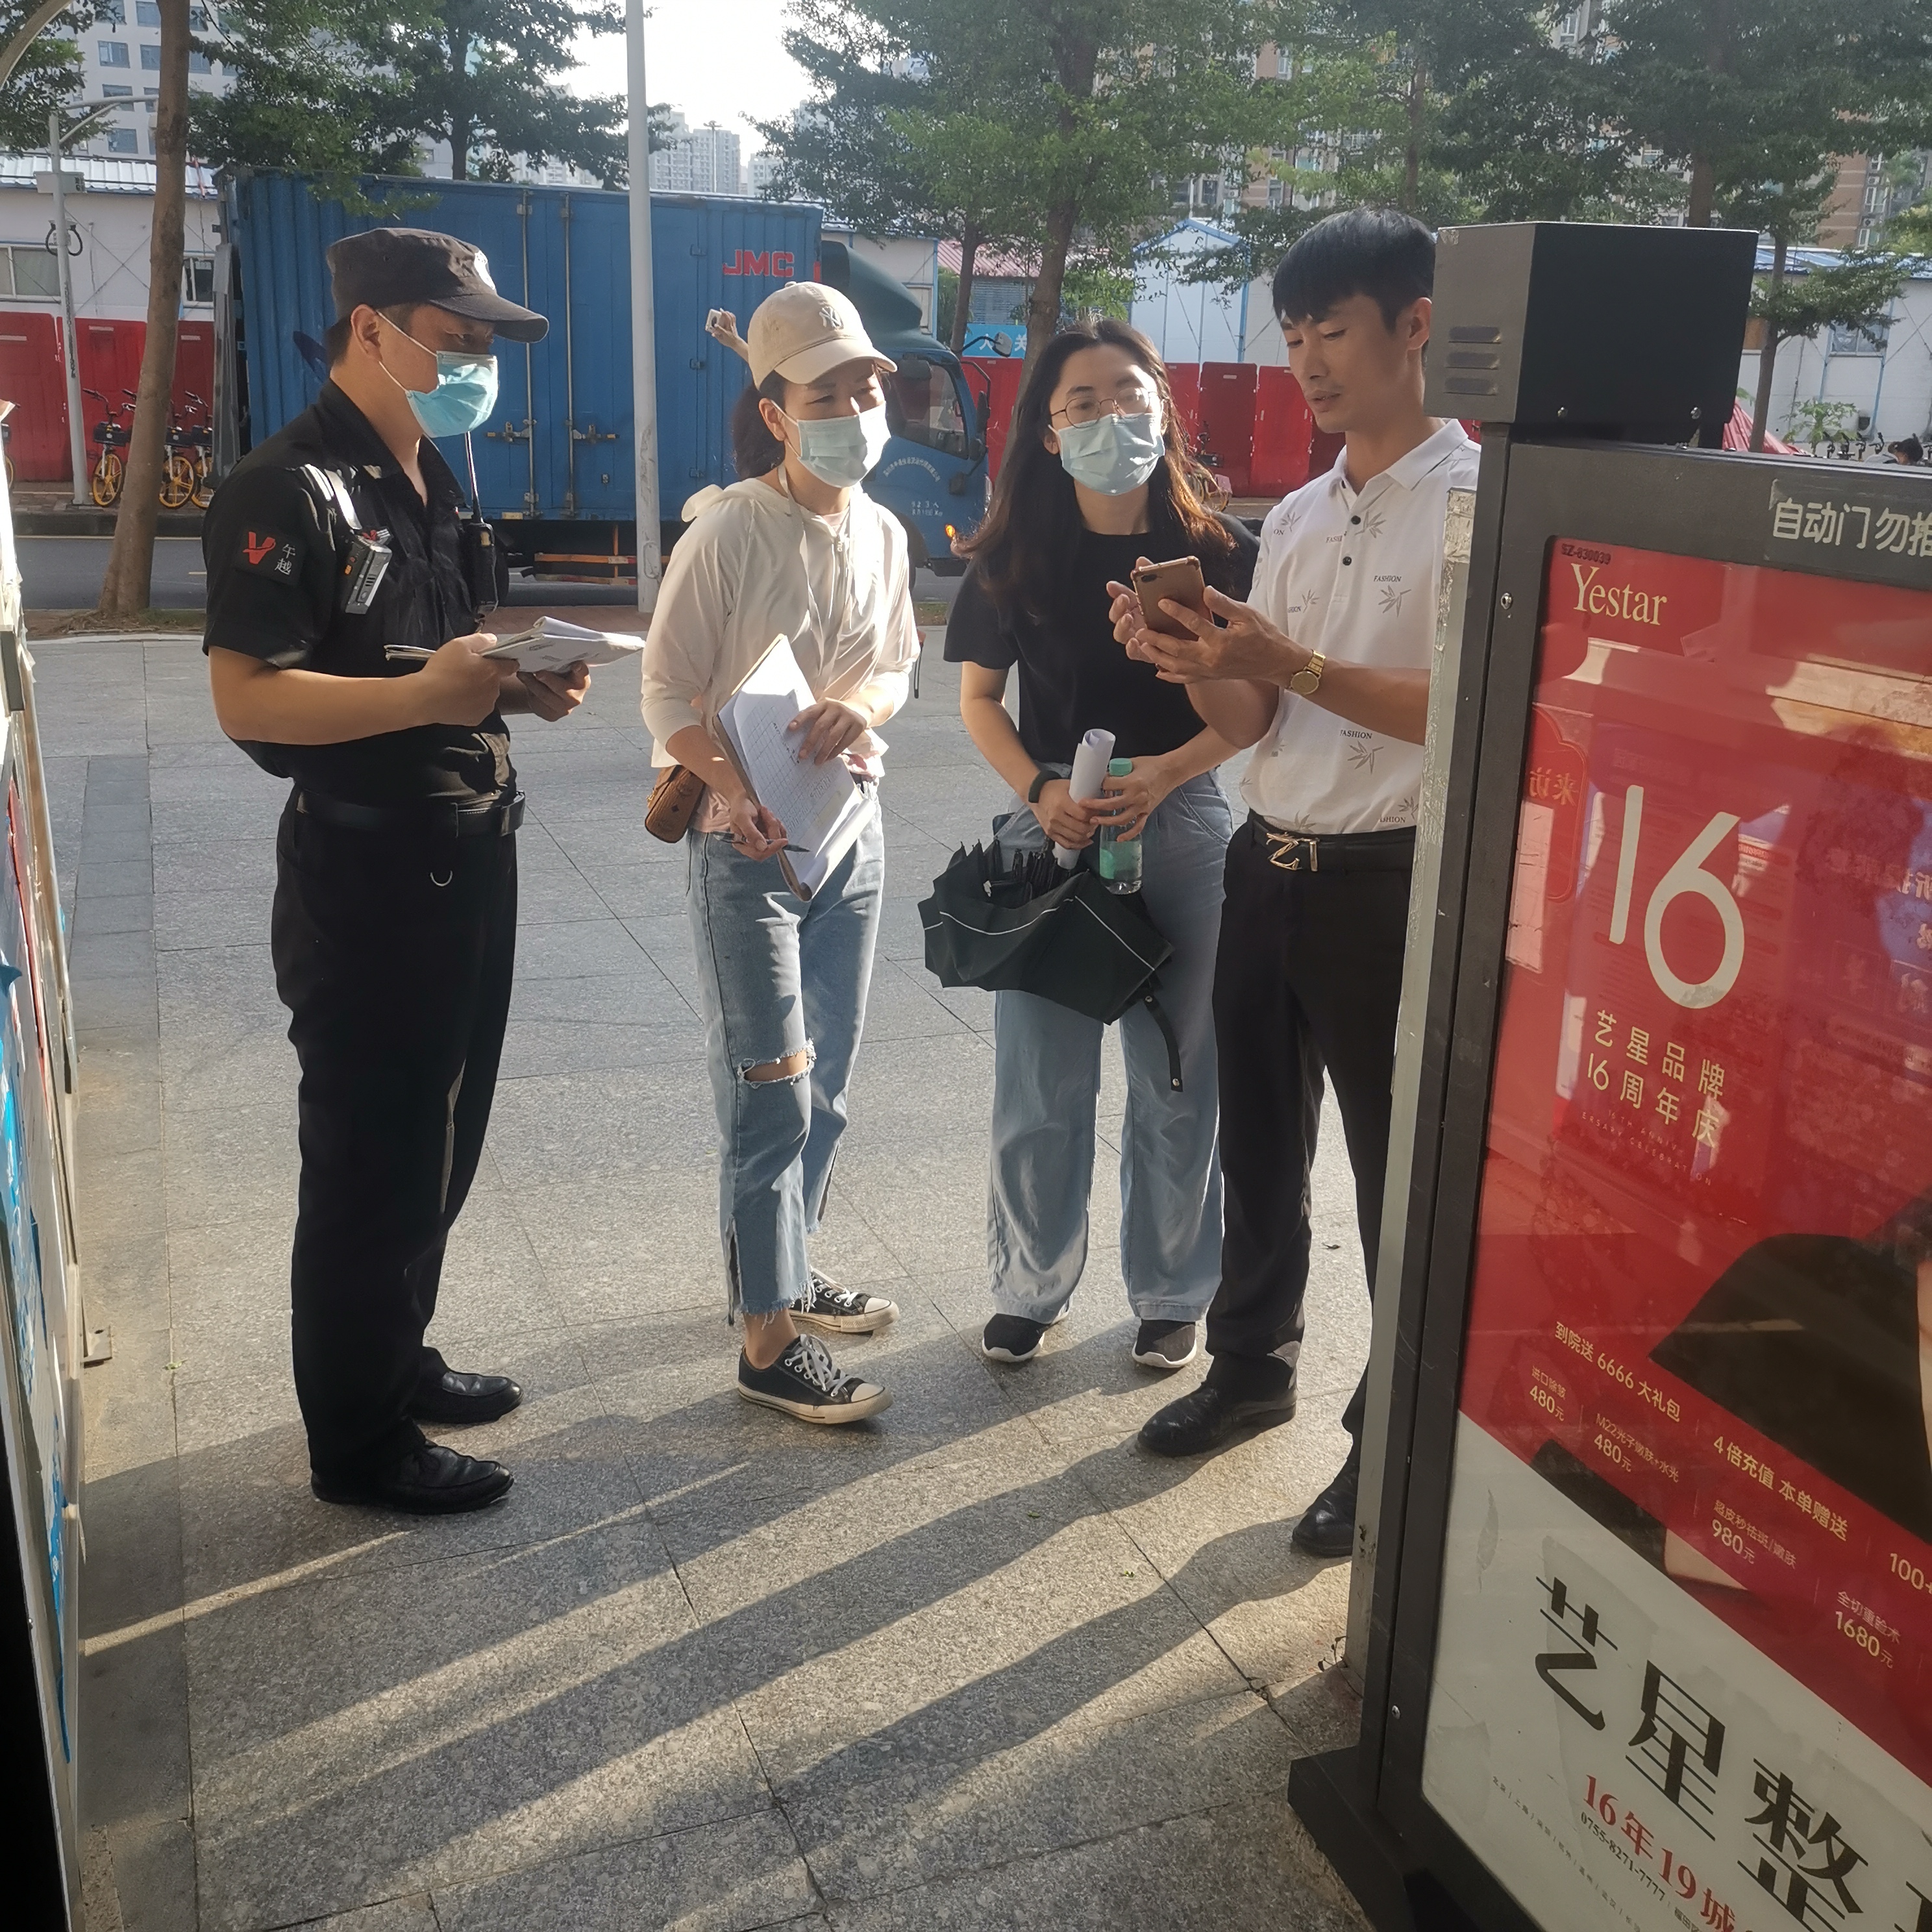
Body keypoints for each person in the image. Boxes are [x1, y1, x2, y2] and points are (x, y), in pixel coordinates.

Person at [201, 228, 590, 1514]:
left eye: (486, 340)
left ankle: (394, 1355)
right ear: (371, 328)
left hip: (467, 848)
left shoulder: (434, 478)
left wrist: (515, 687)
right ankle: (358, 1445)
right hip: (368, 868)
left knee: (440, 1138)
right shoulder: (288, 487)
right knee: (371, 1158)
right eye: (457, 336)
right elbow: (248, 698)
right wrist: (427, 696)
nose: (478, 360)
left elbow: (436, 655)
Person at [1111, 208, 1478, 1557]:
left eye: (1334, 331)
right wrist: (1192, 659)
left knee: (1393, 1172)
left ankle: (1389, 1435)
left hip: (1393, 875)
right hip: (1267, 861)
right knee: (1257, 1144)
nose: (1310, 361)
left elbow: (1466, 706)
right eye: (1294, 336)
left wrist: (1290, 662)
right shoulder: (1303, 513)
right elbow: (1259, 718)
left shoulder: (1479, 501)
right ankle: (1251, 1365)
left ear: (1415, 325)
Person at [946, 320, 1255, 1370]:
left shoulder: (1221, 553)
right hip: (1054, 831)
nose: (1109, 416)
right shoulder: (1015, 556)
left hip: (1182, 824)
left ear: (1163, 409)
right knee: (1041, 1080)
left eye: (1129, 394)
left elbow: (1256, 707)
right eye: (1081, 403)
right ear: (1047, 431)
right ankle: (1029, 1285)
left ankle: (1172, 1291)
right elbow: (979, 700)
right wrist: (1039, 792)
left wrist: (1169, 772)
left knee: (1181, 1076)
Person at [641, 282, 917, 1425]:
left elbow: (896, 664)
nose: (854, 411)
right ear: (774, 413)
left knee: (829, 1079)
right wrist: (729, 786)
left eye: (865, 390)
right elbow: (666, 695)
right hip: (745, 847)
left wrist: (865, 707)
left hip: (850, 832)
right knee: (772, 1086)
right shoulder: (728, 531)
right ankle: (767, 1342)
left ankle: (788, 1275)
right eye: (826, 396)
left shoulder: (885, 530)